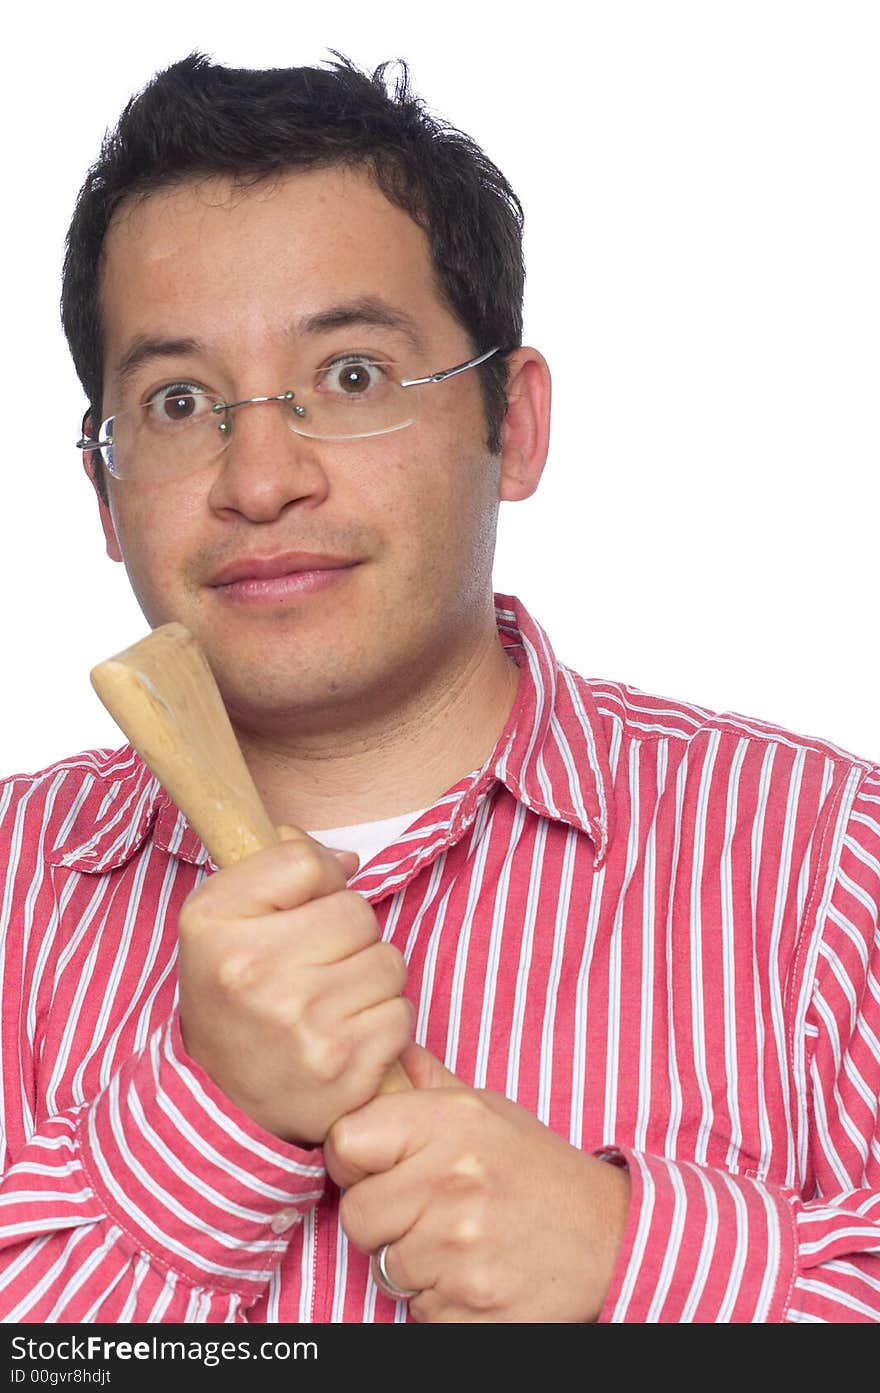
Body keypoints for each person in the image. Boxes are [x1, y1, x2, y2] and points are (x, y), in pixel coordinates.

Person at [0, 50, 877, 1327]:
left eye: (351, 376)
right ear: (103, 488)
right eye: (180, 400)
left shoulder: (831, 865)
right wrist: (203, 1120)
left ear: (511, 427)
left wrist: (631, 1262)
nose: (260, 479)